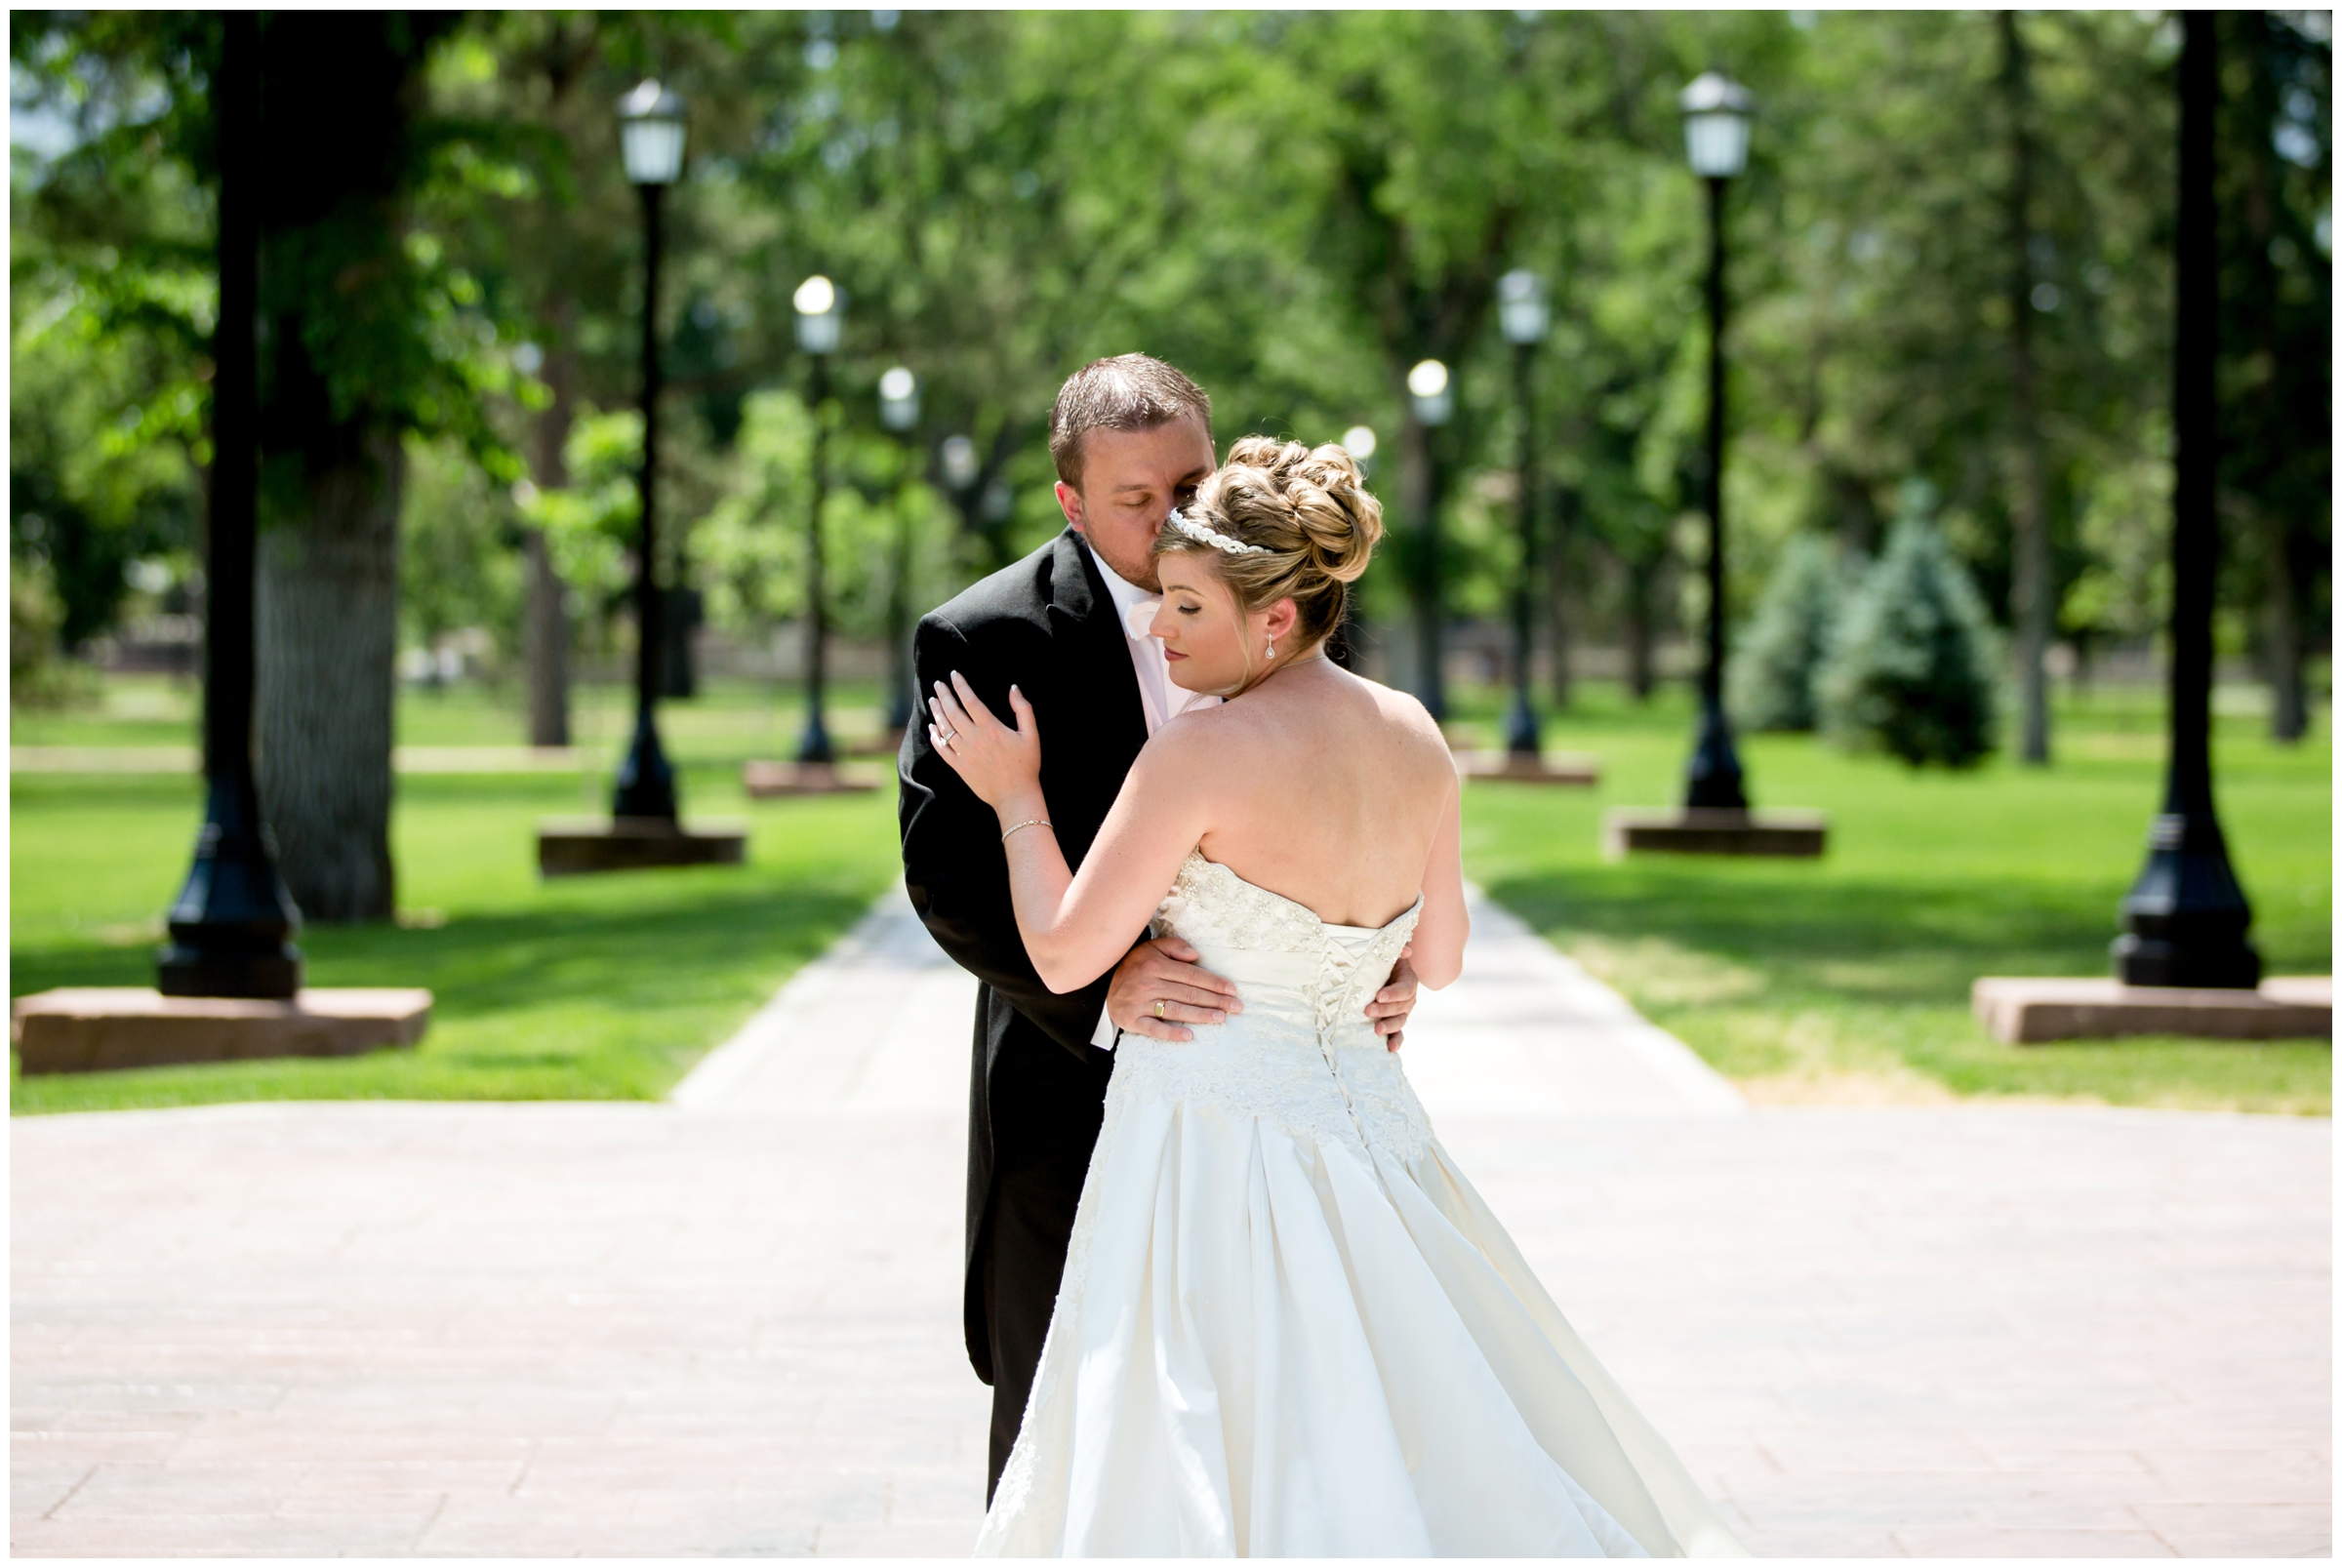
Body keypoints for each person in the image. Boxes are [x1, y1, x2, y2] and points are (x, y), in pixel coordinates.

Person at [924, 436, 1747, 1556]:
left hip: (1205, 1142)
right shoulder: (1414, 731)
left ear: (1273, 619)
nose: (1160, 632)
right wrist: (1366, 976)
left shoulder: (1198, 755)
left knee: (1211, 1427)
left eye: (1186, 608)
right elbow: (1441, 954)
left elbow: (1067, 956)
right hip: (1372, 1132)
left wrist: (1017, 796)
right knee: (1390, 1412)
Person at [896, 356, 1422, 1506]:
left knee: (1283, 1410)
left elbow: (1349, 818)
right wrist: (1100, 991)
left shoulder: (1286, 602)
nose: (1173, 515)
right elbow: (945, 875)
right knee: (1066, 1410)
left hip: (1271, 1108)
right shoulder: (984, 637)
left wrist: (1372, 968)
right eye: (1136, 499)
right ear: (1070, 500)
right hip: (1061, 1088)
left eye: (1189, 480)